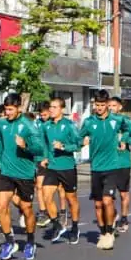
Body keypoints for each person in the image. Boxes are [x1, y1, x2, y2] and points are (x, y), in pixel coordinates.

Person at [79, 90, 131, 250]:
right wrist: (81, 142)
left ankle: (110, 231)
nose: (99, 108)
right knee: (98, 205)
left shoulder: (118, 120)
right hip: (96, 168)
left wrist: (125, 140)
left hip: (113, 167)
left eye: (102, 105)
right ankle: (103, 232)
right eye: (96, 105)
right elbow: (77, 139)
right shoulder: (88, 122)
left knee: (107, 201)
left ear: (107, 104)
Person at [0, 93, 45, 260]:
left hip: (25, 174)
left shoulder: (29, 125)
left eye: (11, 109)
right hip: (6, 171)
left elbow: (40, 149)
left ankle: (30, 241)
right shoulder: (0, 124)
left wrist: (25, 145)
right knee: (1, 207)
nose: (8, 113)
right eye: (6, 109)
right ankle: (9, 241)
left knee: (27, 209)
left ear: (19, 108)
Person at [39, 98, 81, 244]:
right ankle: (57, 224)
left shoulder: (69, 125)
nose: (51, 109)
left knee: (71, 199)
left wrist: (63, 147)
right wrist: (44, 157)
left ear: (62, 109)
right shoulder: (46, 126)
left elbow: (78, 144)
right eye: (50, 107)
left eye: (55, 107)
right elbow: (44, 143)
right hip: (52, 167)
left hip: (67, 167)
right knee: (46, 196)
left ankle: (75, 228)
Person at [108, 96, 131, 233]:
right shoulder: (104, 122)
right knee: (107, 195)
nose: (111, 108)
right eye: (109, 105)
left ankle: (124, 218)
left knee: (123, 194)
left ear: (120, 107)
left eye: (114, 106)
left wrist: (126, 141)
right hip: (107, 163)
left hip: (123, 162)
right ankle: (113, 213)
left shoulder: (125, 121)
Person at [34, 101, 52, 228]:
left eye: (45, 115)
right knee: (39, 186)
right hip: (40, 159)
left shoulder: (54, 124)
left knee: (59, 190)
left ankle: (61, 211)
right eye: (41, 115)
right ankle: (43, 211)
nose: (43, 117)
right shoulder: (37, 124)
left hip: (54, 160)